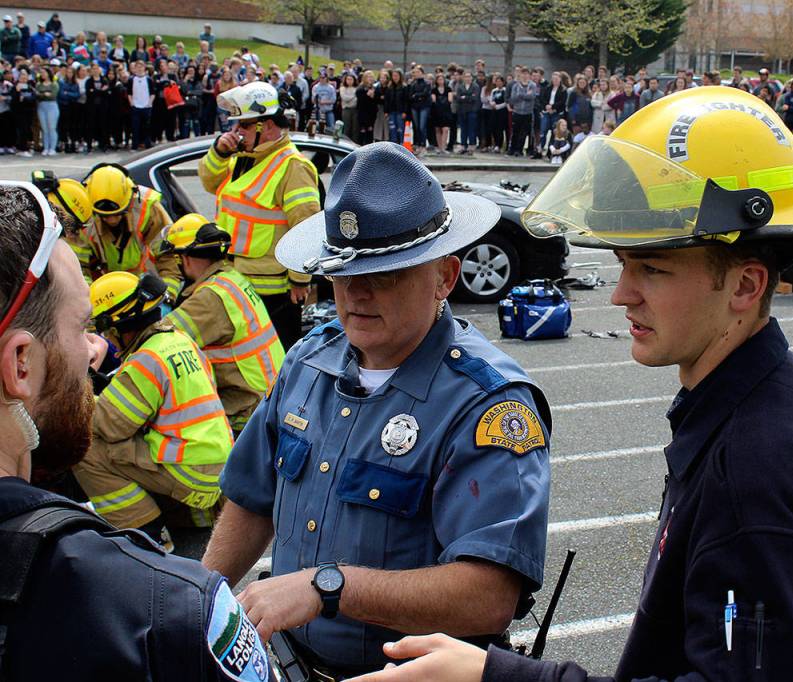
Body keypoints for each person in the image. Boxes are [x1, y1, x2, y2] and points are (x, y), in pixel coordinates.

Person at [347, 85, 793, 682]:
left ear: (746, 287)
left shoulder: (754, 462)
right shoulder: (761, 401)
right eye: (623, 265)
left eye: (652, 268)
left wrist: (495, 677)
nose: (621, 293)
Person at [201, 142, 552, 678]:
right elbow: (253, 500)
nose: (356, 294)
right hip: (288, 663)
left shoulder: (486, 403)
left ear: (444, 277)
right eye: (343, 272)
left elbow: (487, 595)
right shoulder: (308, 362)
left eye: (387, 274)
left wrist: (329, 588)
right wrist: (196, 601)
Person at [0, 181, 269, 681]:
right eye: (82, 328)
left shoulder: (161, 343)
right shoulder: (172, 612)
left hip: (201, 470)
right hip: (216, 463)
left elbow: (109, 423)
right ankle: (137, 536)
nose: (91, 348)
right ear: (21, 364)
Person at [72, 270, 233, 546]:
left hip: (191, 473)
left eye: (105, 328)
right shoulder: (179, 340)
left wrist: (82, 393)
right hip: (219, 468)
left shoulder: (145, 361)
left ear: (120, 325)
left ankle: (147, 535)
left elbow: (107, 426)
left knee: (87, 448)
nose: (106, 337)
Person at [199, 80, 321, 350]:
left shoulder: (293, 166)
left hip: (274, 293)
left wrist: (301, 280)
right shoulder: (245, 157)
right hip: (236, 281)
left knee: (278, 361)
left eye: (243, 125)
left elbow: (306, 225)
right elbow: (209, 183)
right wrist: (219, 152)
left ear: (266, 125)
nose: (236, 131)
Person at [157, 214, 284, 434]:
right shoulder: (231, 278)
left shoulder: (208, 299)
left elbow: (156, 341)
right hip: (273, 396)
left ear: (184, 259)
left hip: (246, 414)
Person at [69, 164, 178, 293]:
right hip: (107, 290)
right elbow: (78, 268)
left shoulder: (148, 208)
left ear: (131, 198)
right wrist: (90, 299)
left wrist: (167, 295)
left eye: (118, 214)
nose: (112, 220)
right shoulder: (82, 214)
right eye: (104, 216)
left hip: (149, 283)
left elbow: (168, 258)